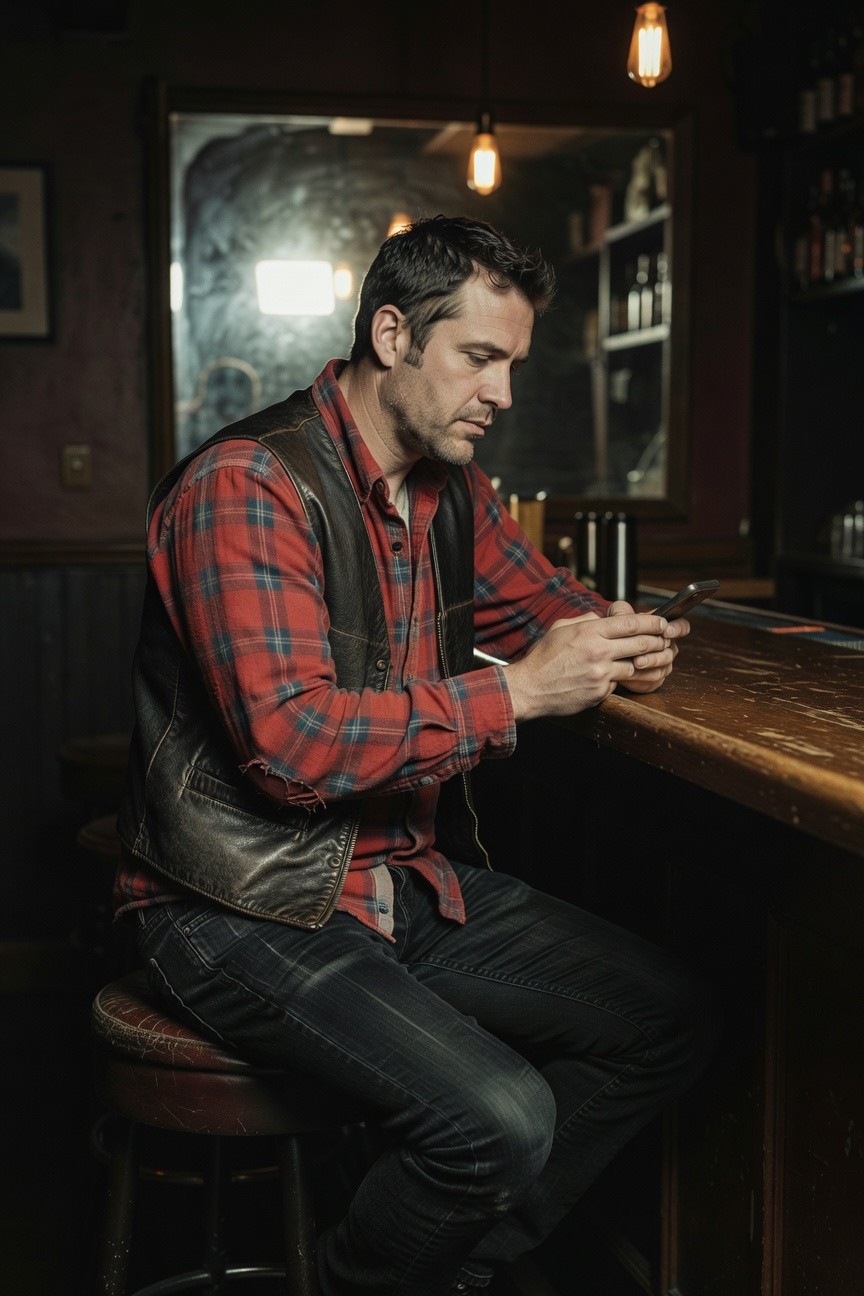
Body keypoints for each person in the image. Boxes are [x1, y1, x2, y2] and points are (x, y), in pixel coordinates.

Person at [116, 215, 718, 1296]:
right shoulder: (249, 485)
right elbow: (289, 747)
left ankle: (432, 1270)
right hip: (236, 906)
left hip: (395, 884)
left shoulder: (453, 491)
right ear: (392, 335)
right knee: (501, 1116)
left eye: (513, 364)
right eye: (479, 358)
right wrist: (522, 688)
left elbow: (552, 608)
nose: (503, 393)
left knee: (665, 1018)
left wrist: (621, 643)